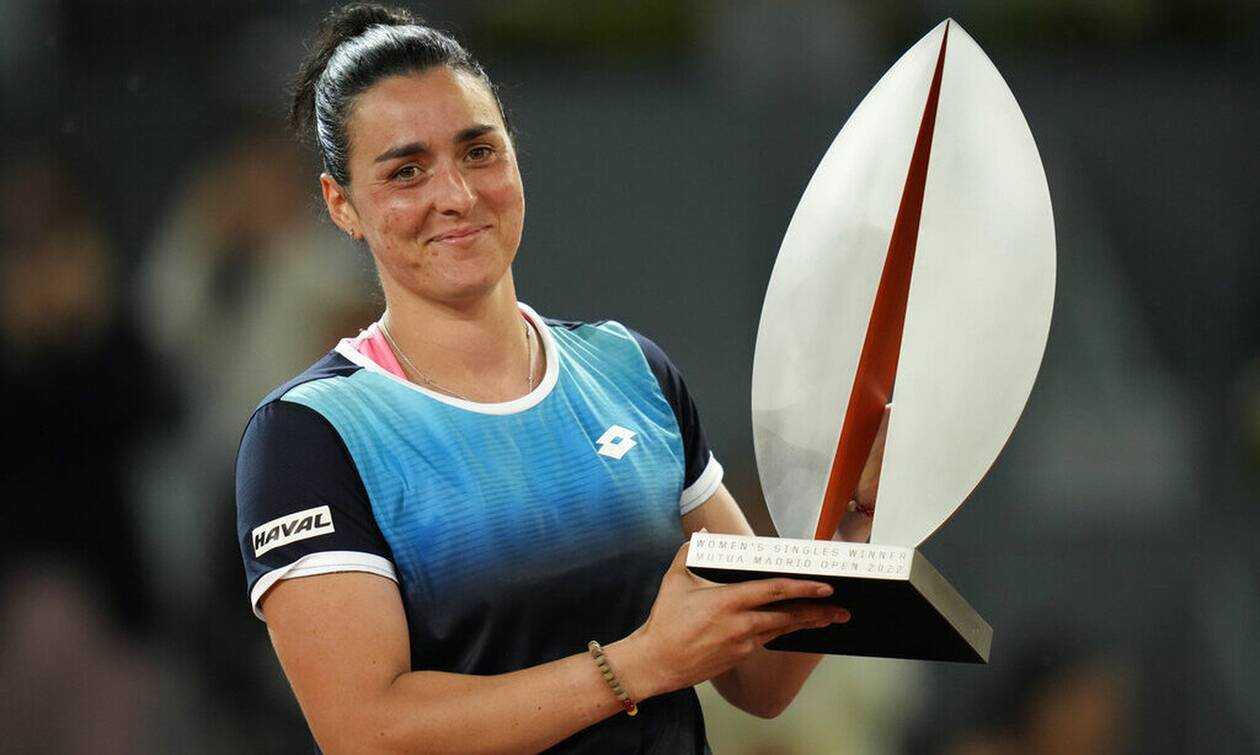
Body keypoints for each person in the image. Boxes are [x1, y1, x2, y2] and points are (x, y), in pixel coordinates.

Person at [235, 4, 884, 752]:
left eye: (479, 151)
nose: (457, 194)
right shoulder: (309, 435)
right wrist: (642, 663)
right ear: (341, 204)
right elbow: (369, 733)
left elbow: (761, 678)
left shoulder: (629, 370)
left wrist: (850, 523)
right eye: (407, 171)